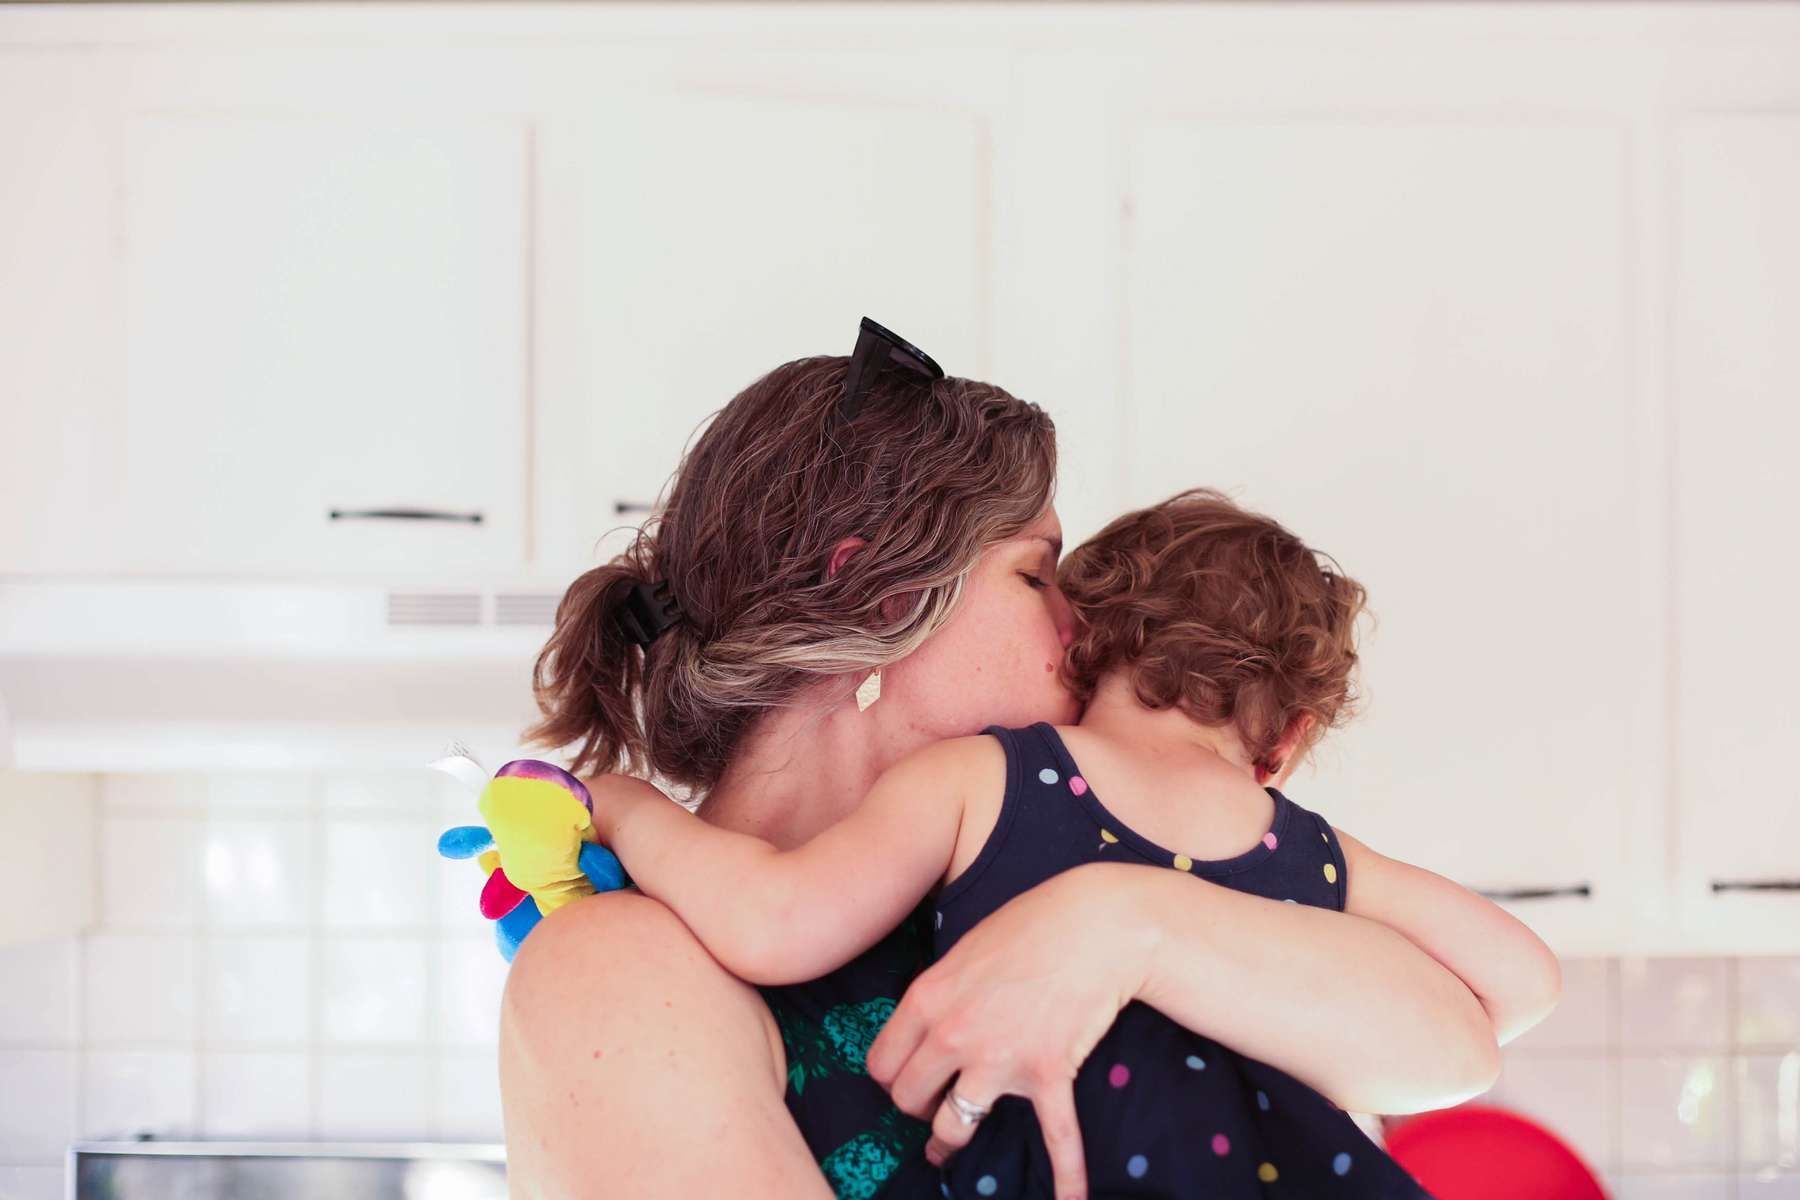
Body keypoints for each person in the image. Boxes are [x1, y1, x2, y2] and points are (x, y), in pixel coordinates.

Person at [496, 321, 1511, 1200]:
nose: (1090, 625)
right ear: (884, 599)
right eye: (1038, 575)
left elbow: (1457, 1044)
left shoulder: (1046, 882)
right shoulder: (618, 966)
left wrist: (1127, 923)